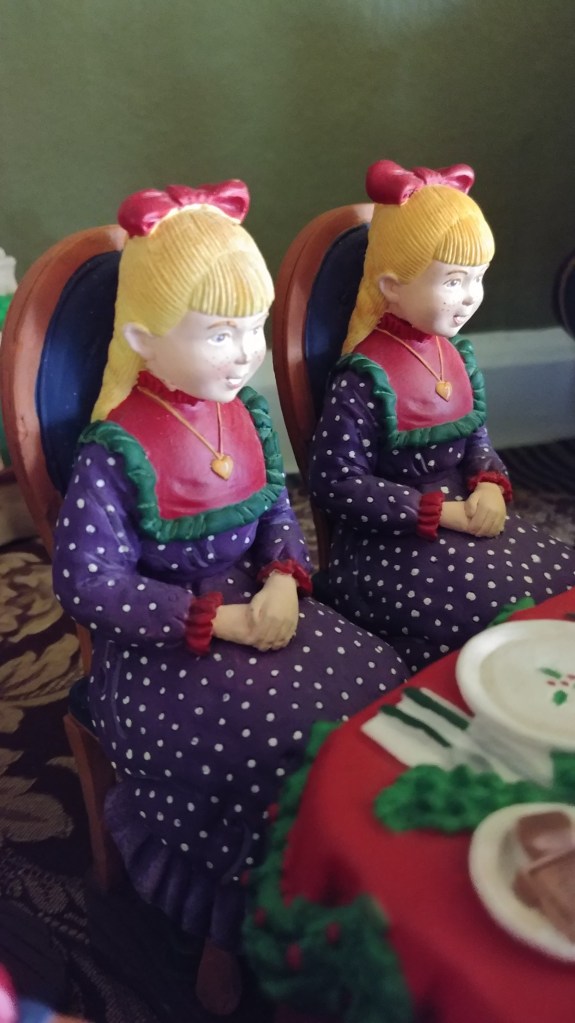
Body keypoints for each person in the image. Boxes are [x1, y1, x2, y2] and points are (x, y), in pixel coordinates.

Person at [52, 181, 408, 1014]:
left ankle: (342, 873)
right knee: (256, 751)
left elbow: (276, 508)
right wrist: (215, 618)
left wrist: (281, 574)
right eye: (220, 332)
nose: (246, 352)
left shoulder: (243, 411)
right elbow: (88, 582)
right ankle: (229, 920)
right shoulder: (114, 452)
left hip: (259, 606)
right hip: (157, 648)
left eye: (254, 326)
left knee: (380, 679)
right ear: (141, 338)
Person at [309, 159, 575, 673]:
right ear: (392, 286)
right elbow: (336, 482)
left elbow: (477, 439)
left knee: (557, 576)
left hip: (465, 514)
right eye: (453, 281)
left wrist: (489, 483)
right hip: (390, 539)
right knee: (486, 609)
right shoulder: (364, 378)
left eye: (477, 279)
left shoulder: (457, 357)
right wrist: (436, 512)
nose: (470, 297)